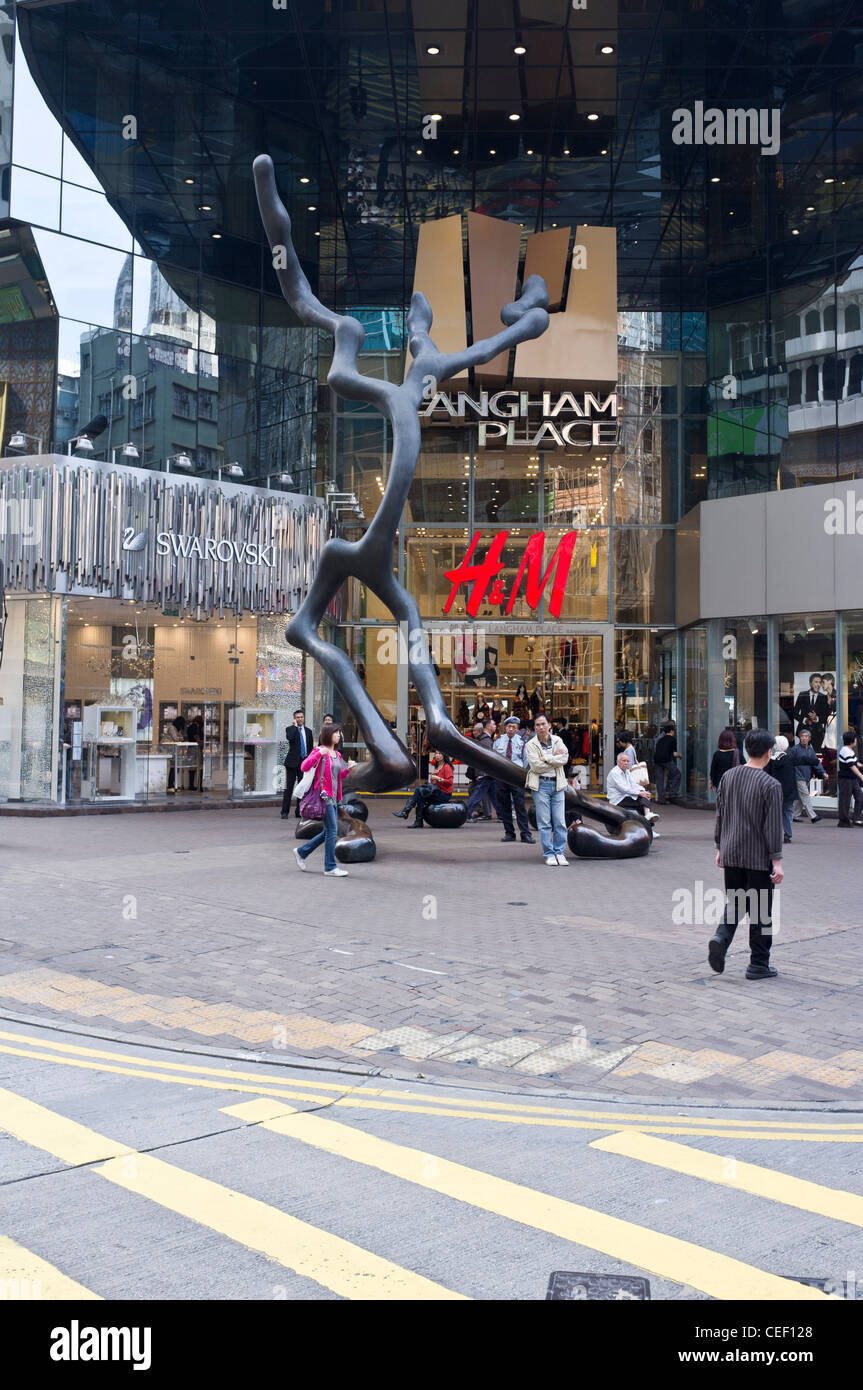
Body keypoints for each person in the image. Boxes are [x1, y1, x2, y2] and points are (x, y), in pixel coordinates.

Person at [708, 728, 783, 981]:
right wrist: (777, 861)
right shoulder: (771, 785)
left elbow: (721, 814)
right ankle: (759, 964)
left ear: (746, 749)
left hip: (731, 851)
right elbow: (773, 827)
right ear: (769, 752)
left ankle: (721, 936)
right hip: (757, 857)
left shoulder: (728, 777)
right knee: (761, 911)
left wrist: (720, 847)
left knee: (737, 902)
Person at [293, 724, 355, 876]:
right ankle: (330, 867)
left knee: (328, 831)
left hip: (333, 798)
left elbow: (338, 777)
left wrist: (348, 769)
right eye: (336, 733)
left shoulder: (338, 755)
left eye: (339, 733)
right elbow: (304, 766)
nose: (339, 735)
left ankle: (301, 852)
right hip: (323, 796)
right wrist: (319, 754)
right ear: (328, 734)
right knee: (332, 831)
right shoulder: (320, 751)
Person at [525, 713, 570, 865]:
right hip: (541, 786)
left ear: (549, 725)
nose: (541, 727)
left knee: (560, 821)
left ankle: (559, 852)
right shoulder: (531, 744)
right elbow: (536, 766)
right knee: (544, 822)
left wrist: (547, 758)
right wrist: (555, 760)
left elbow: (564, 758)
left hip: (558, 784)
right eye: (537, 725)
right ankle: (549, 853)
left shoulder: (558, 740)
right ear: (534, 727)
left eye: (543, 724)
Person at [492, 715, 534, 844]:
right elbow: (493, 757)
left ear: (517, 729)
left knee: (520, 806)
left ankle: (525, 834)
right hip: (502, 776)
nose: (511, 729)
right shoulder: (498, 741)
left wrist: (522, 775)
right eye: (509, 726)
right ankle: (509, 833)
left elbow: (526, 761)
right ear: (505, 727)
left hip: (516, 777)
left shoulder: (522, 742)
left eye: (514, 727)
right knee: (504, 806)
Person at [392, 750, 453, 828]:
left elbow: (450, 782)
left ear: (444, 755)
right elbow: (434, 783)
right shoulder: (437, 766)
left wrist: (437, 778)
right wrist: (432, 777)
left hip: (444, 794)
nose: (437, 755)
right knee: (420, 797)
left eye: (439, 753)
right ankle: (418, 821)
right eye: (436, 754)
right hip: (436, 791)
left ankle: (406, 811)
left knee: (418, 790)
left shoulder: (447, 767)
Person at [606, 752, 660, 836]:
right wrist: (640, 793)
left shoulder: (626, 771)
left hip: (626, 796)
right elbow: (624, 789)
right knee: (642, 799)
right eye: (624, 761)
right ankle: (648, 818)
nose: (626, 763)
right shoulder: (614, 773)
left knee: (644, 797)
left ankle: (648, 821)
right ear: (618, 762)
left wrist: (643, 791)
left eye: (628, 761)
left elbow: (633, 784)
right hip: (618, 799)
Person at [281, 708, 313, 819]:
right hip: (291, 763)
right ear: (294, 719)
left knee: (302, 788)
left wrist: (310, 762)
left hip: (304, 764)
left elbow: (310, 748)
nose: (300, 719)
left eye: (301, 717)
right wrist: (295, 727)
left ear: (304, 718)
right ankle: (284, 812)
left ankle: (299, 811)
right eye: (297, 717)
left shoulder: (308, 731)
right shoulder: (290, 729)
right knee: (288, 788)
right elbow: (290, 738)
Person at [767, 734, 799, 843]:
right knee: (788, 812)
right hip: (788, 792)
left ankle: (773, 833)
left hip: (774, 791)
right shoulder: (789, 759)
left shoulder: (771, 760)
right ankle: (787, 834)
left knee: (774, 814)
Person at [465, 719, 498, 822]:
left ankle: (502, 815)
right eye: (493, 724)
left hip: (486, 773)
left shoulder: (483, 740)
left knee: (494, 795)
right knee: (477, 794)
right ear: (488, 727)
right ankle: (466, 814)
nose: (495, 726)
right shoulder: (487, 740)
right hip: (486, 773)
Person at [789, 728, 823, 824]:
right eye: (802, 736)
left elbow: (816, 763)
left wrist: (823, 772)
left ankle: (794, 815)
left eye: (806, 736)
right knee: (805, 795)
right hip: (798, 776)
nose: (803, 738)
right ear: (799, 738)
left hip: (807, 776)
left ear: (809, 738)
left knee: (800, 798)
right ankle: (813, 816)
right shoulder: (794, 750)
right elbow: (789, 762)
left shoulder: (811, 750)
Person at [792, 674, 829, 747]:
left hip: (818, 732)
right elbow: (794, 713)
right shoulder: (802, 695)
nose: (818, 685)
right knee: (803, 754)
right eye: (816, 682)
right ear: (810, 683)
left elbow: (826, 716)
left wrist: (817, 718)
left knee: (818, 755)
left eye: (820, 682)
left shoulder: (823, 697)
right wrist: (805, 720)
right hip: (803, 731)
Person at [837, 729, 863, 827]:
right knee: (845, 800)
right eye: (855, 739)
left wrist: (860, 765)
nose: (856, 741)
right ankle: (843, 821)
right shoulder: (845, 751)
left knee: (860, 797)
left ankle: (856, 818)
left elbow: (854, 763)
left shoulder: (850, 750)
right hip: (845, 779)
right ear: (851, 741)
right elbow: (852, 766)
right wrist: (861, 776)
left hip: (852, 779)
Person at [654, 720, 682, 802]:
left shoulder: (660, 739)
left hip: (657, 760)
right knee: (677, 774)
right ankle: (673, 793)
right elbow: (674, 754)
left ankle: (661, 799)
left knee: (660, 780)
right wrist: (680, 756)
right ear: (672, 731)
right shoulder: (672, 739)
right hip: (666, 760)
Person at [162, 715, 186, 794]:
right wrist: (179, 737)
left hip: (174, 750)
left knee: (176, 768)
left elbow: (181, 738)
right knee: (173, 768)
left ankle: (172, 785)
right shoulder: (172, 728)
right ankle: (170, 785)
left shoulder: (176, 729)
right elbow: (176, 738)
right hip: (170, 750)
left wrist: (179, 737)